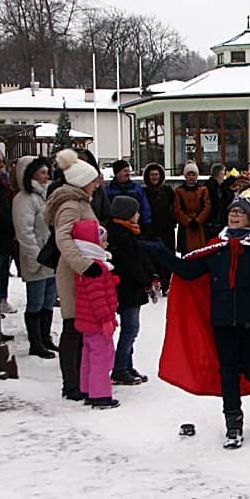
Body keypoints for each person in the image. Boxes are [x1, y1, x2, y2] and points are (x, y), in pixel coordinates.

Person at [143, 191, 250, 449]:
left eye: (240, 212)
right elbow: (188, 271)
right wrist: (162, 253)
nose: (234, 215)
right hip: (222, 320)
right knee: (228, 373)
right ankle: (233, 425)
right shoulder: (216, 248)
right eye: (232, 211)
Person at [44, 149, 102, 401]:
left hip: (82, 269)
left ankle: (79, 378)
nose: (97, 184)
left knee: (80, 325)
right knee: (73, 325)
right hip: (73, 272)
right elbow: (64, 238)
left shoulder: (80, 202)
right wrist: (84, 264)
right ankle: (71, 384)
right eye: (93, 180)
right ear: (82, 181)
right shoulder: (70, 204)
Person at [71, 220, 120, 409]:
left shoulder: (87, 266)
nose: (107, 244)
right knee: (101, 357)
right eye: (103, 241)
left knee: (89, 355)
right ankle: (100, 395)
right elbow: (97, 297)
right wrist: (106, 319)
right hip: (98, 321)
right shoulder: (96, 269)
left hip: (87, 321)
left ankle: (87, 389)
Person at [11, 157, 58, 359]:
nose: (47, 176)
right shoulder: (24, 199)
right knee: (36, 302)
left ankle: (45, 338)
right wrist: (35, 258)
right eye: (42, 172)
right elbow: (25, 232)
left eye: (47, 172)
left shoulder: (44, 195)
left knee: (48, 300)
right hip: (37, 257)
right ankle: (36, 342)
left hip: (49, 256)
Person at [107, 196, 156, 386]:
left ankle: (126, 365)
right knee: (130, 328)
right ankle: (120, 368)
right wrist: (146, 282)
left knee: (130, 329)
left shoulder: (128, 230)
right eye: (135, 212)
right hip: (126, 288)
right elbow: (132, 263)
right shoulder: (121, 235)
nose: (138, 215)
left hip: (129, 286)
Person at [142, 163, 176, 294]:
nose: (154, 177)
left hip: (167, 229)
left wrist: (173, 220)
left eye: (156, 174)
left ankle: (167, 285)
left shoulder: (167, 191)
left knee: (168, 256)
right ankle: (156, 284)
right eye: (151, 175)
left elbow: (175, 207)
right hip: (150, 229)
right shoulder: (144, 192)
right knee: (153, 258)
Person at [173, 162, 211, 254]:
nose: (191, 177)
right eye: (189, 174)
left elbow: (207, 206)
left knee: (201, 252)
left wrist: (198, 221)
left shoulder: (203, 190)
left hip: (200, 226)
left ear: (197, 176)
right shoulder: (179, 191)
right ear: (185, 176)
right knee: (186, 254)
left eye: (193, 175)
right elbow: (177, 209)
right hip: (186, 227)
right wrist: (188, 221)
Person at [104, 159, 152, 227]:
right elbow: (105, 209)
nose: (128, 173)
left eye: (129, 171)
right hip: (115, 226)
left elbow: (145, 207)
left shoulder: (136, 188)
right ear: (117, 173)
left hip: (135, 224)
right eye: (125, 171)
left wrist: (147, 222)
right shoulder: (108, 190)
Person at [0, 151, 15, 315]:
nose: (1, 165)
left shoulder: (4, 183)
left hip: (5, 239)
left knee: (3, 274)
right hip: (1, 235)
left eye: (2, 161)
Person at [204, 163, 238, 240]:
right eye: (223, 174)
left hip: (216, 224)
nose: (224, 177)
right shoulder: (212, 187)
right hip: (214, 225)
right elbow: (220, 204)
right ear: (220, 174)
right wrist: (227, 188)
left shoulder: (214, 186)